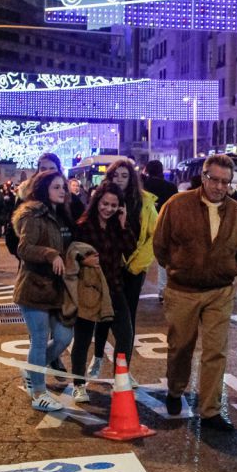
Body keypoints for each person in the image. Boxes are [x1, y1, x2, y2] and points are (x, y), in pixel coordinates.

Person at [153, 153, 237, 431]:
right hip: (183, 289)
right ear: (203, 177)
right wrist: (176, 269)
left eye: (225, 182)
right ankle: (175, 389)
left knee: (216, 352)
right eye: (214, 180)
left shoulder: (236, 211)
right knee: (181, 346)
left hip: (220, 290)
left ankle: (210, 410)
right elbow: (160, 245)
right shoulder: (177, 205)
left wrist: (227, 271)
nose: (219, 187)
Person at [11, 169, 86, 414]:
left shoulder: (61, 214)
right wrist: (50, 254)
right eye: (56, 187)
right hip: (34, 287)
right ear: (43, 189)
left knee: (64, 337)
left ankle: (32, 371)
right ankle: (39, 393)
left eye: (63, 187)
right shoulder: (33, 215)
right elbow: (25, 248)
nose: (62, 191)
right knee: (40, 340)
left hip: (58, 288)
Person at [83, 159, 155, 375]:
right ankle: (97, 359)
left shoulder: (143, 202)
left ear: (132, 178)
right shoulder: (105, 198)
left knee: (128, 321)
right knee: (103, 316)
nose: (120, 180)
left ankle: (123, 369)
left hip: (133, 268)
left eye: (125, 176)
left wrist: (137, 264)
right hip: (109, 266)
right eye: (116, 176)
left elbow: (153, 235)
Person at [70, 183, 138, 400]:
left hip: (114, 288)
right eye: (105, 203)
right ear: (97, 201)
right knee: (83, 338)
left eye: (113, 205)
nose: (108, 209)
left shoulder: (117, 226)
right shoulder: (83, 225)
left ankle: (121, 377)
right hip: (90, 289)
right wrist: (83, 259)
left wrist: (123, 221)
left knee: (125, 335)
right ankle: (79, 384)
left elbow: (130, 248)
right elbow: (71, 252)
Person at [144, 160, 179, 301]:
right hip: (165, 224)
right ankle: (163, 291)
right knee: (164, 260)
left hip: (145, 225)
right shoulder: (170, 187)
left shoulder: (143, 186)